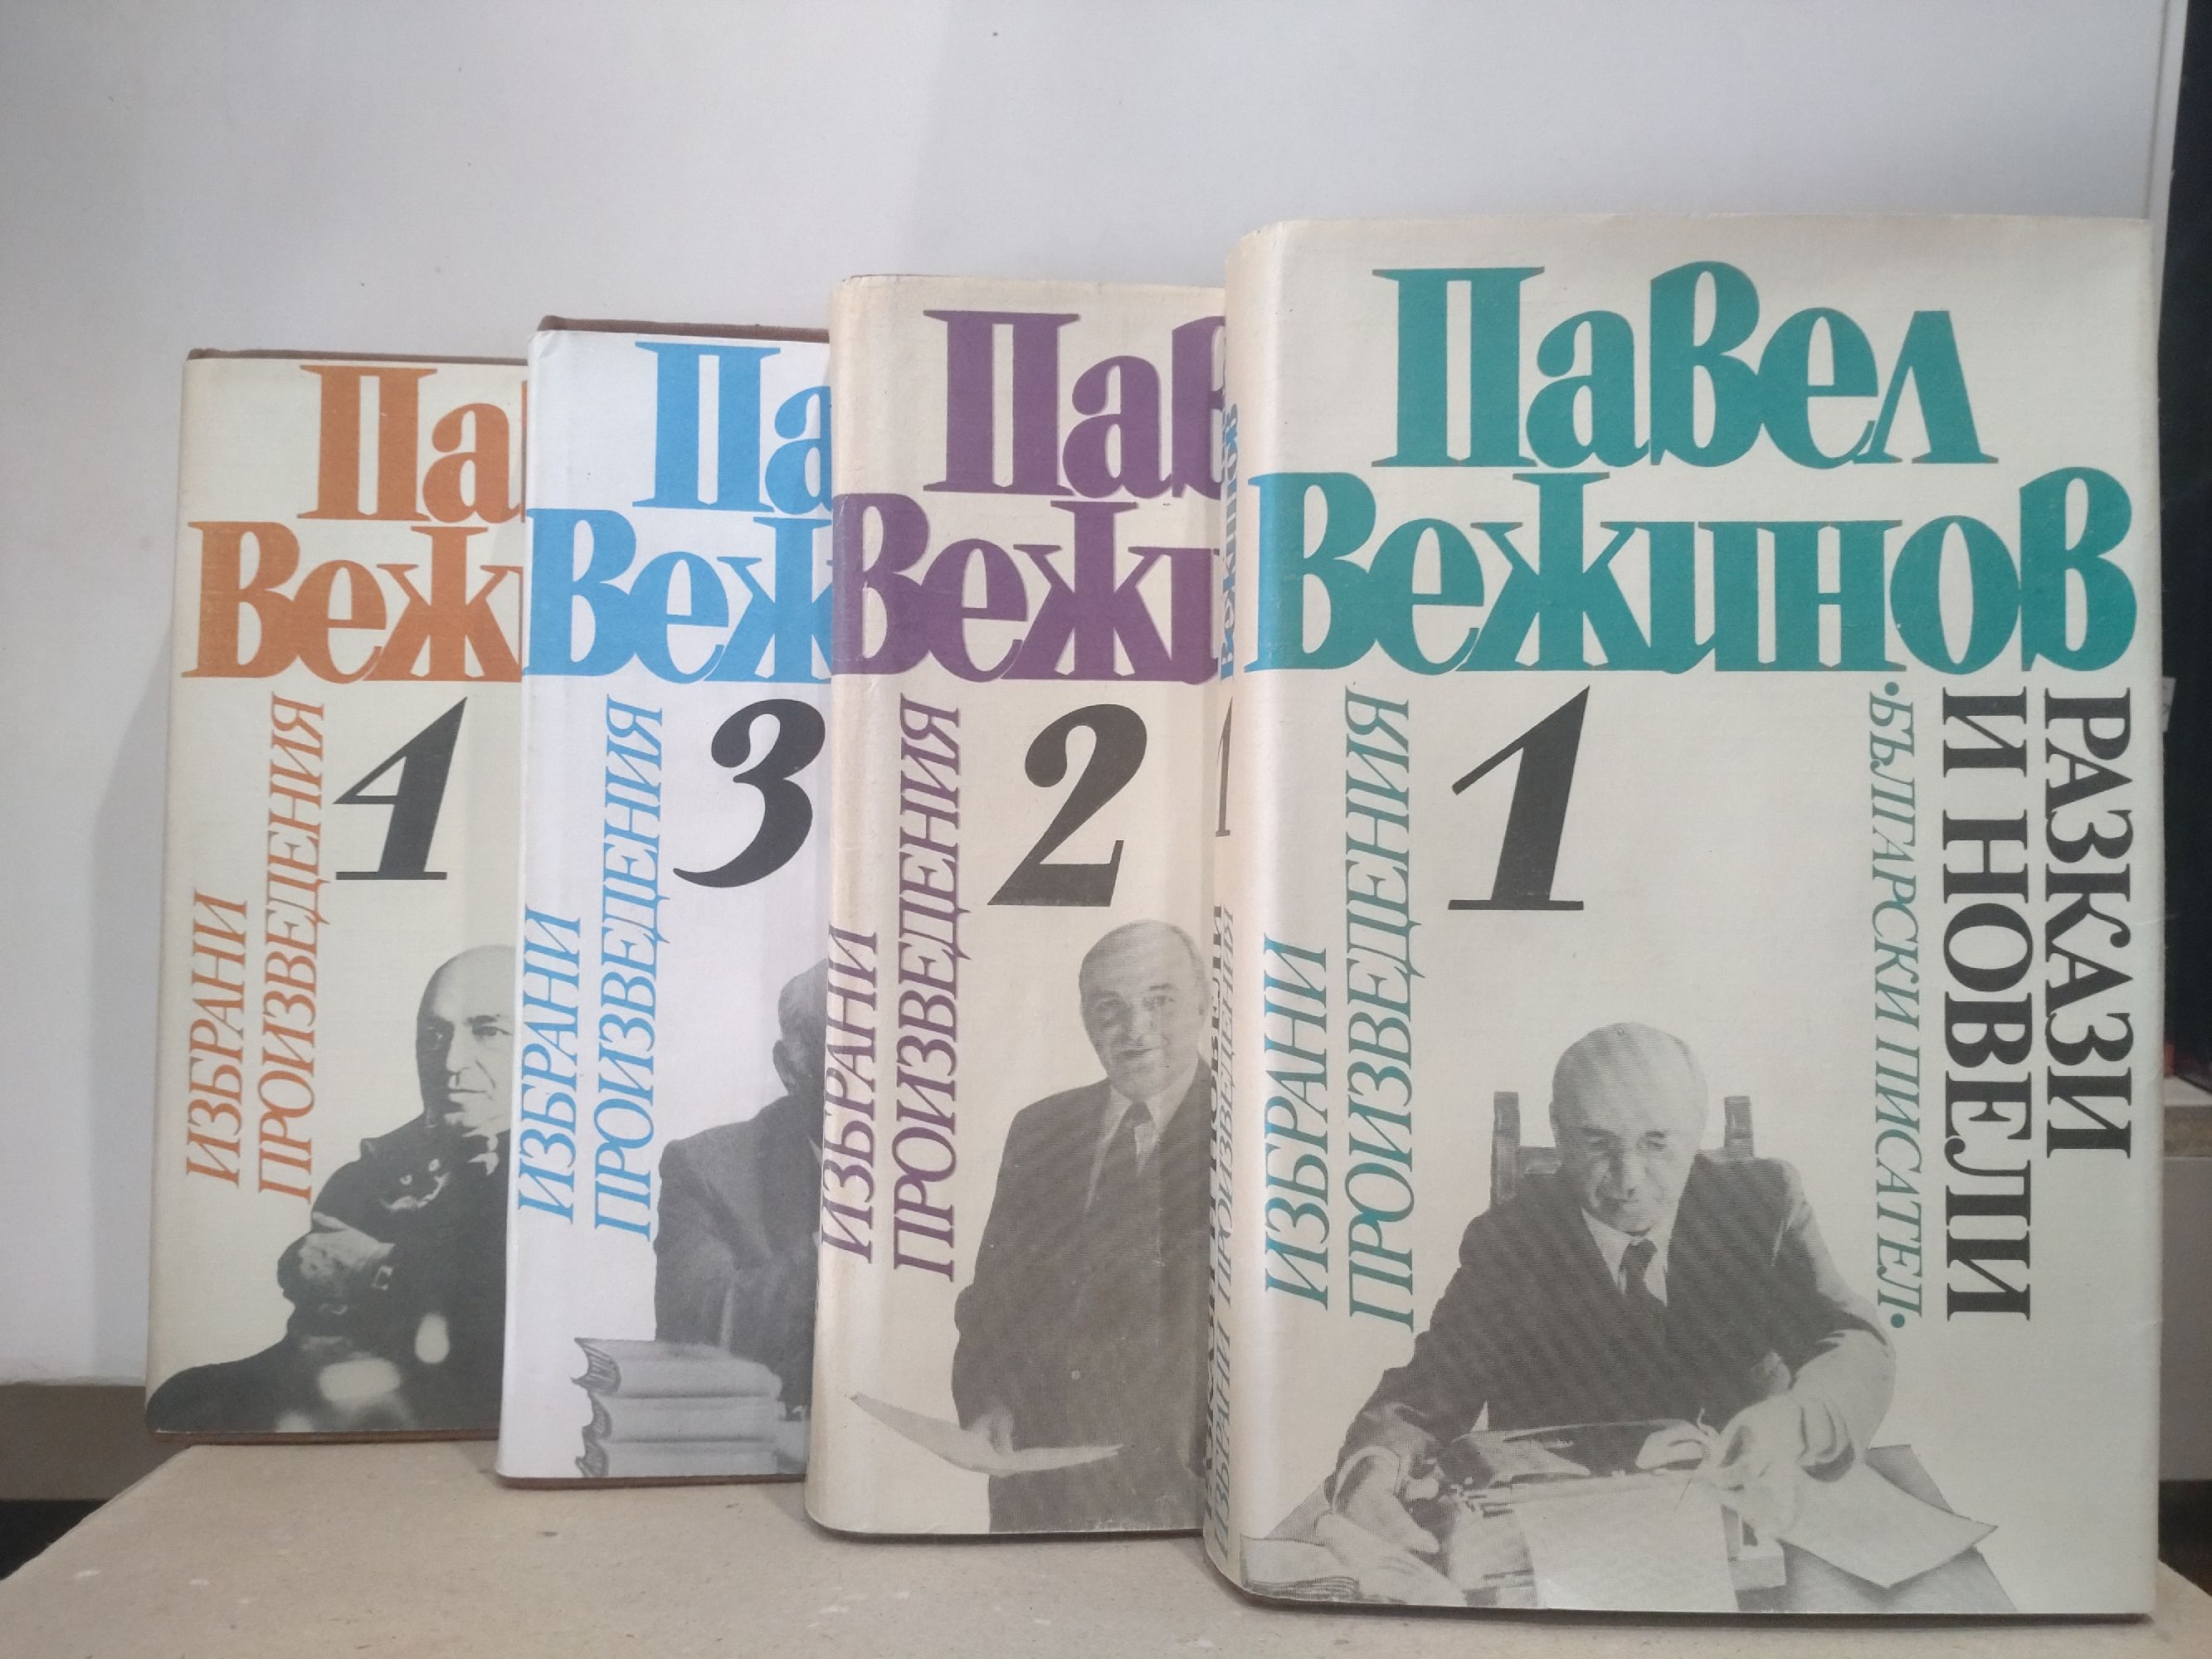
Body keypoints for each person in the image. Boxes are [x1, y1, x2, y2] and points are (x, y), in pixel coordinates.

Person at [1332, 1021, 1893, 1569]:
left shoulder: (1761, 1205)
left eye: (1657, 1143)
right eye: (1598, 1144)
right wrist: (1372, 1469)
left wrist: (1799, 1421)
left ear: (1696, 1129)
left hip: (1750, 1524)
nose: (1629, 1180)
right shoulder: (1512, 1240)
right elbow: (1429, 1389)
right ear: (1559, 1132)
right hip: (1573, 1542)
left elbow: (1853, 1340)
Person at [147, 944, 516, 1434]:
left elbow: (518, 1320)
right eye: (432, 1035)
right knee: (182, 1398)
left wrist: (373, 1269)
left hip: (468, 1408)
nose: (450, 1061)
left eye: (488, 1032)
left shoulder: (562, 1182)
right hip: (341, 1399)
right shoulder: (364, 1177)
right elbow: (310, 1348)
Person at [951, 919, 1211, 1532]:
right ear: (1085, 1019)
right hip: (1034, 1492)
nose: (1135, 1030)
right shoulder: (1042, 1129)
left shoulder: (1252, 1129)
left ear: (1204, 1003)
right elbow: (993, 1300)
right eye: (1109, 1009)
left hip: (1175, 1499)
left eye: (1159, 1001)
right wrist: (988, 1401)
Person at [653, 961, 829, 1411]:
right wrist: (833, 1247)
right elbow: (694, 1332)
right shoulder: (707, 1168)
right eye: (852, 1060)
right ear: (790, 1069)